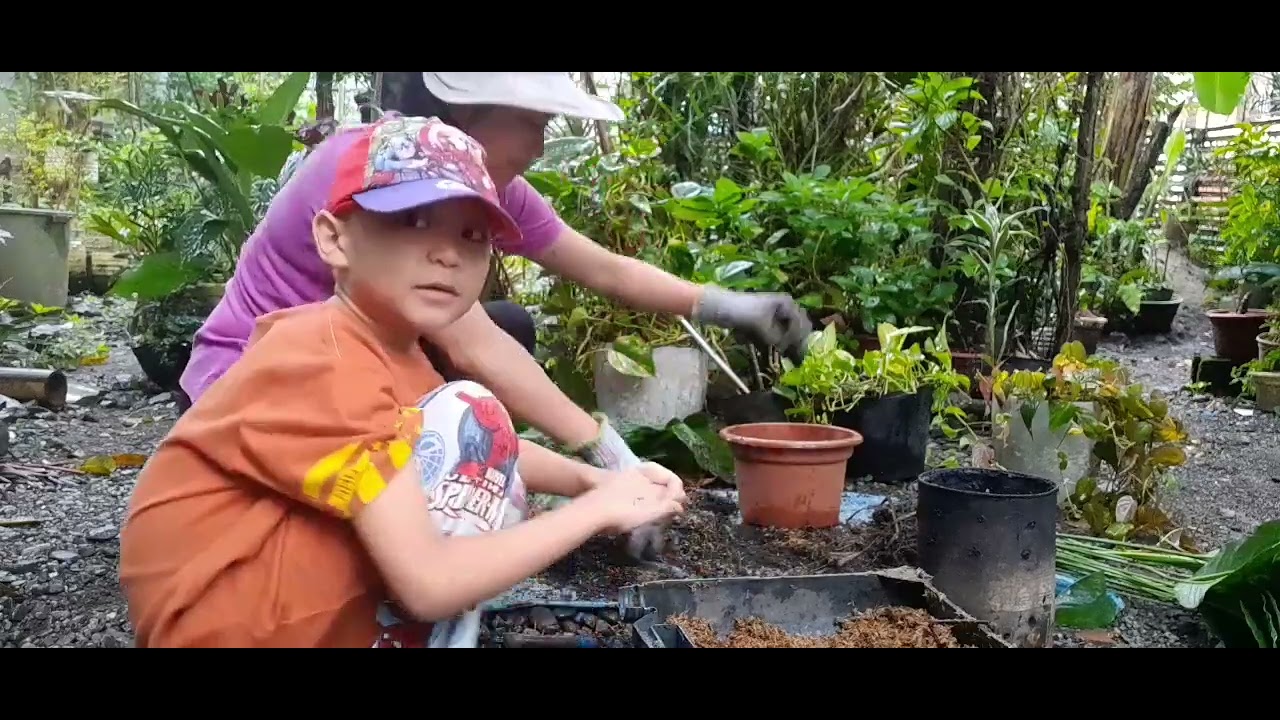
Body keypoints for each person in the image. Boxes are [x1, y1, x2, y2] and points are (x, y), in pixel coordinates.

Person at [180, 72, 810, 560]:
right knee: (478, 388)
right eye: (531, 121)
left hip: (349, 370)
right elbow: (477, 348)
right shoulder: (377, 169)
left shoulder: (485, 182)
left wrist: (729, 306)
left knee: (511, 326)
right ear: (466, 112)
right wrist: (612, 465)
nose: (539, 144)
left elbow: (603, 268)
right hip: (249, 390)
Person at [118, 115, 687, 648]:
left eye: (472, 235)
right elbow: (428, 585)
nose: (446, 254)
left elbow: (483, 452)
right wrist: (596, 511)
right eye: (411, 220)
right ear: (334, 239)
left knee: (475, 430)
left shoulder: (388, 347)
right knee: (476, 412)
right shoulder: (322, 357)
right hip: (228, 618)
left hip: (257, 600)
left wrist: (596, 481)